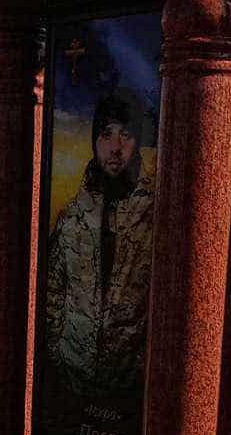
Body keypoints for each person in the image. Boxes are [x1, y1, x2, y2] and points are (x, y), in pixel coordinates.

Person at [45, 88, 155, 404]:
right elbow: (53, 292)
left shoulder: (155, 216)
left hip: (131, 389)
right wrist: (58, 355)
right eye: (106, 134)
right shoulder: (72, 217)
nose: (115, 147)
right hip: (73, 381)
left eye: (126, 135)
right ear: (95, 140)